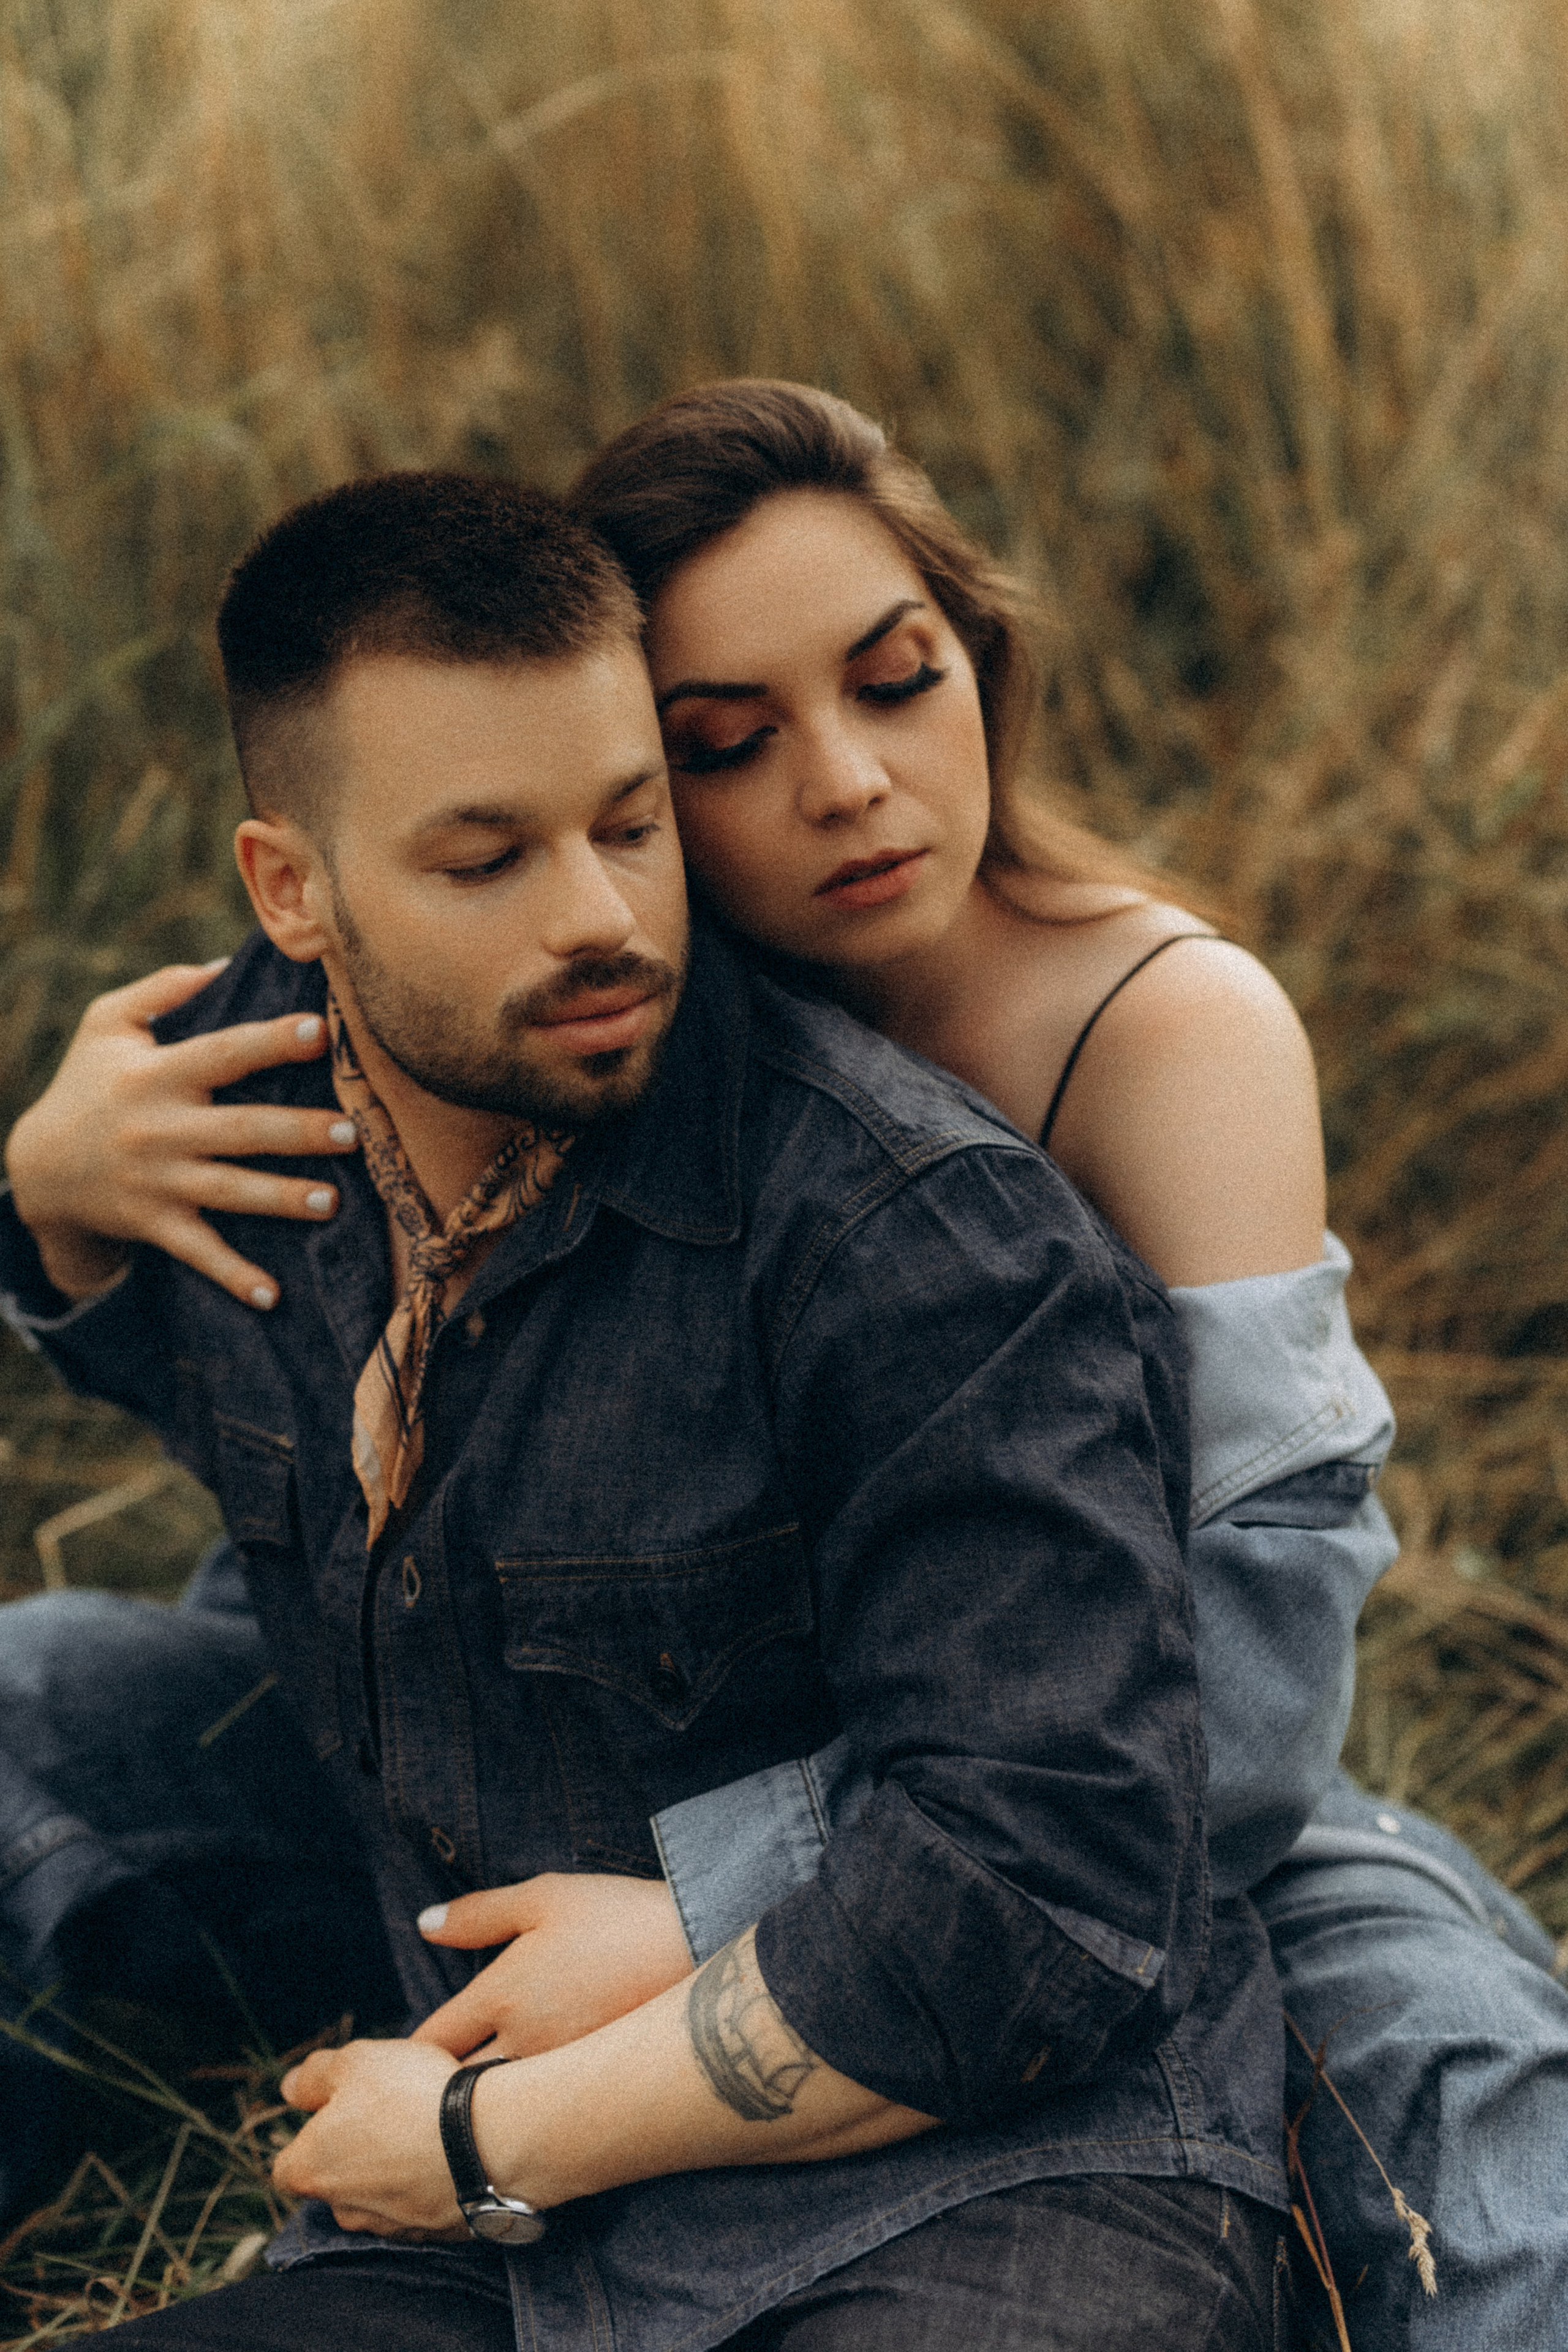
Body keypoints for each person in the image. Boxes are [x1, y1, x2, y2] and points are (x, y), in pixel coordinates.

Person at [13, 380, 1568, 2352]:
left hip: (1154, 1805)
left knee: (1480, 2176)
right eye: (724, 748)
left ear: (979, 664)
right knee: (47, 1700)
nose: (847, 785)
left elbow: (1204, 1734)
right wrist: (55, 1198)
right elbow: (304, 1416)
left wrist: (702, 1922)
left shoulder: (1147, 1048)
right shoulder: (530, 1017)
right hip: (580, 1812)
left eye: (897, 682)